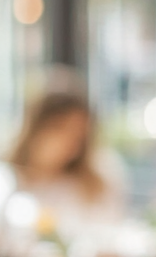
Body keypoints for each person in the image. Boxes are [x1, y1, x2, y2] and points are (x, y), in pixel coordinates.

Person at [6, 74, 124, 236]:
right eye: (60, 129)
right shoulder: (8, 180)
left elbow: (109, 234)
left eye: (78, 137)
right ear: (36, 128)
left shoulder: (93, 185)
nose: (69, 144)